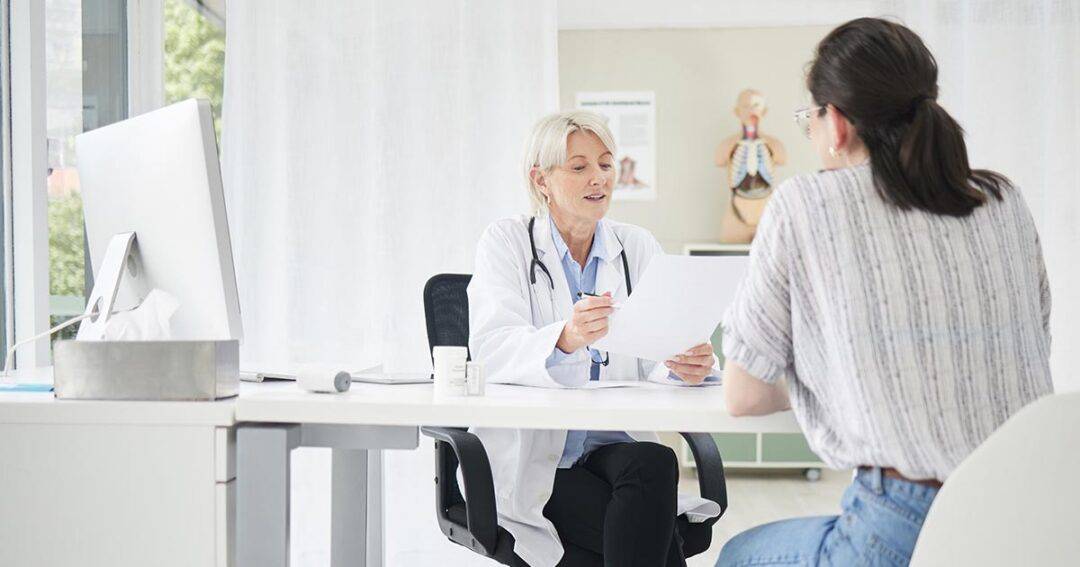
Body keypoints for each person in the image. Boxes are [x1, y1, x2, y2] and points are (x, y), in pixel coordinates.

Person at [716, 17, 1053, 566]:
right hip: (1028, 517)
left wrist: (830, 373)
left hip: (905, 522)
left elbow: (744, 395)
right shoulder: (1001, 199)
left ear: (838, 123)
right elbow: (1031, 338)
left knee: (739, 554)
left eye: (811, 118)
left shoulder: (807, 204)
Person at [467, 110, 722, 567]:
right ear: (541, 180)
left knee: (656, 463)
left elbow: (661, 351)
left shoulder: (636, 246)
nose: (598, 178)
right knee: (653, 540)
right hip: (540, 461)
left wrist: (686, 363)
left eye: (605, 164)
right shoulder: (506, 242)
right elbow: (492, 347)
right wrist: (564, 338)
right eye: (579, 166)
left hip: (612, 446)